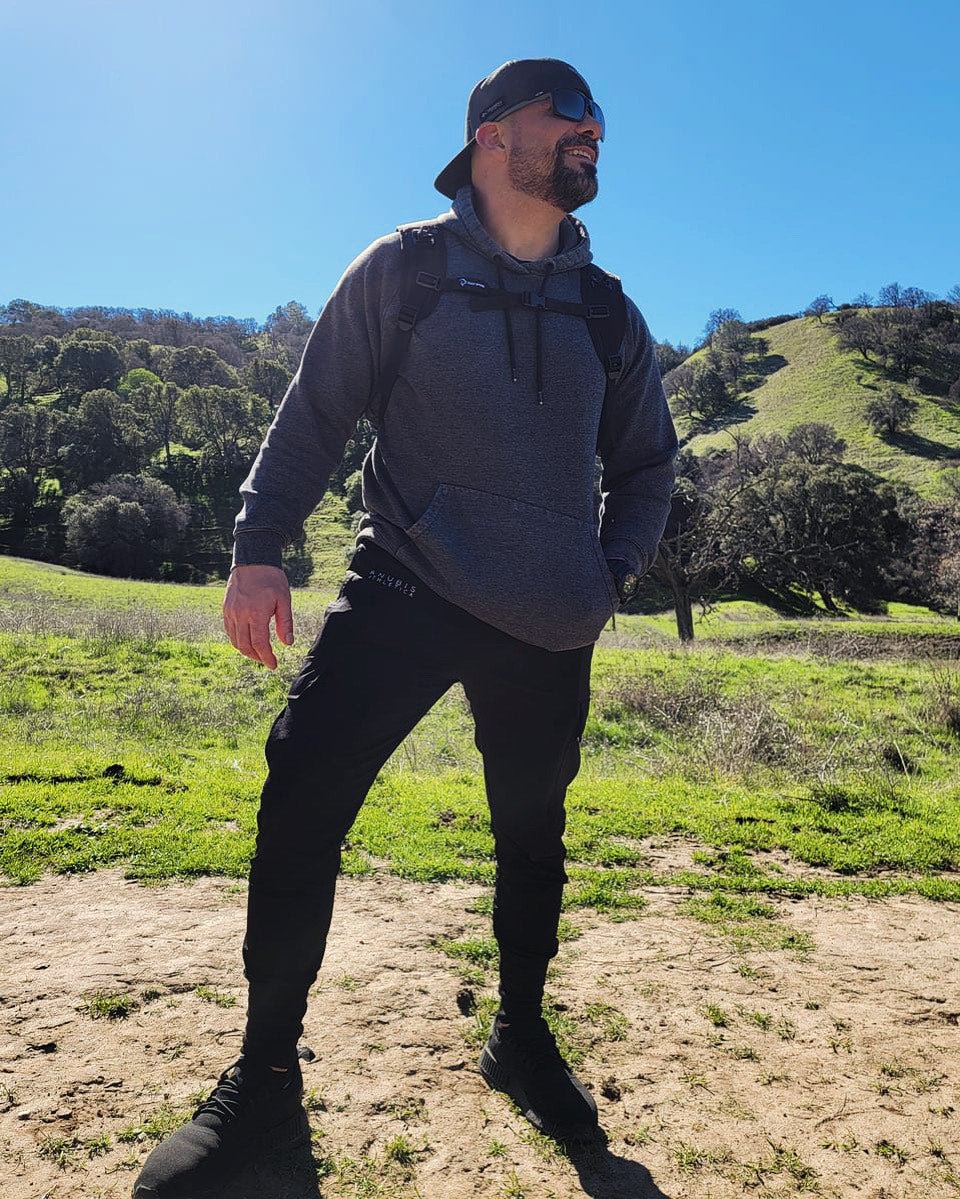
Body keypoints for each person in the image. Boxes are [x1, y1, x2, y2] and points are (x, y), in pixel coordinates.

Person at [133, 57, 678, 1198]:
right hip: (407, 582)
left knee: (533, 834)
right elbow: (314, 411)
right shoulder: (405, 271)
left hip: (548, 619)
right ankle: (264, 1078)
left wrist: (608, 571)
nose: (593, 134)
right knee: (303, 793)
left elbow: (645, 465)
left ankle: (520, 1035)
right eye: (567, 116)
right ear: (492, 134)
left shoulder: (605, 308)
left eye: (600, 122)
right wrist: (258, 546)